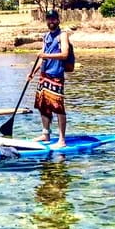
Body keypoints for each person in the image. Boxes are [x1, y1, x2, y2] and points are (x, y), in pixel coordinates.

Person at [28, 10, 71, 148]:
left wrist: (45, 55)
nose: (51, 21)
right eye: (49, 19)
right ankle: (45, 134)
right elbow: (43, 57)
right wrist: (33, 72)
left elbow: (64, 54)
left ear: (58, 20)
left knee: (58, 107)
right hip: (44, 75)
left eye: (53, 19)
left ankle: (62, 140)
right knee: (43, 106)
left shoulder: (62, 35)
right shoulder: (45, 36)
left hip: (56, 75)